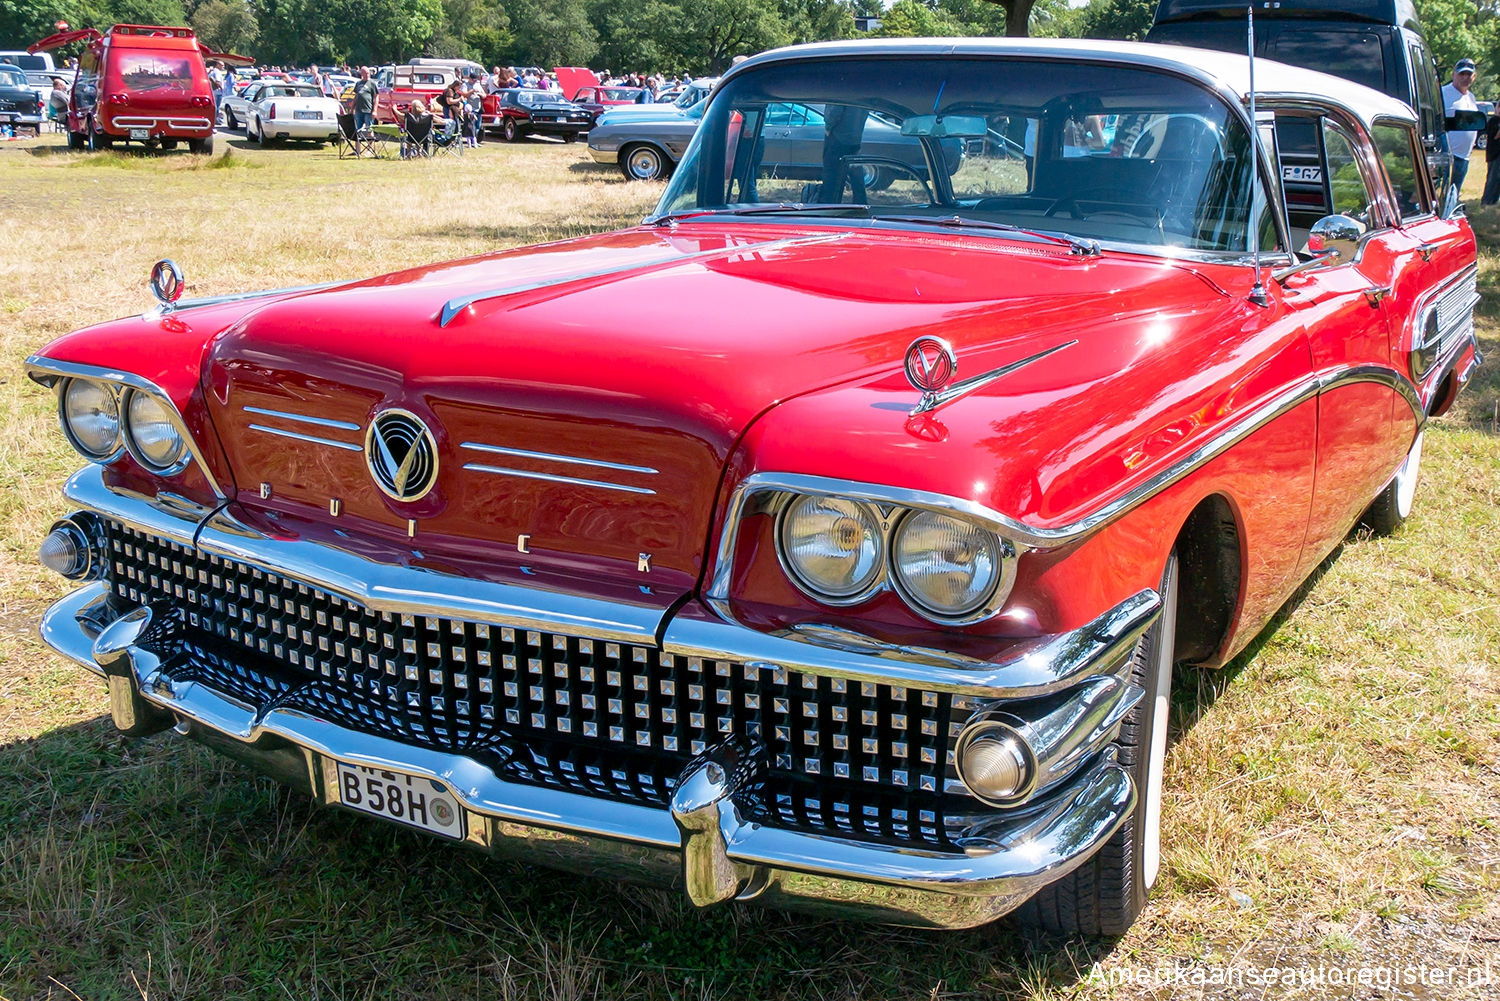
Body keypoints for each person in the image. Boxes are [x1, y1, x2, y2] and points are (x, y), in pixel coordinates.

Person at [1442, 57, 1479, 197]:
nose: (1465, 77)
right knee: (1441, 193)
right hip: (1446, 156)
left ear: (1473, 77)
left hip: (1464, 156)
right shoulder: (1443, 93)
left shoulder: (1471, 97)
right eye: (1461, 74)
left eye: (1468, 74)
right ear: (1453, 75)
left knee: (1454, 193)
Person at [352, 66, 378, 136]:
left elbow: (376, 97)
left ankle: (370, 147)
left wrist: (375, 110)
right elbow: (356, 96)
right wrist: (352, 108)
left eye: (368, 73)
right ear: (361, 74)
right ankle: (358, 147)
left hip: (368, 111)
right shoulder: (358, 83)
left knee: (369, 129)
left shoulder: (372, 83)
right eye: (365, 73)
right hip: (358, 110)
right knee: (357, 131)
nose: (367, 75)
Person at [1483, 104, 1500, 206]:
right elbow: (1495, 136)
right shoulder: (1493, 121)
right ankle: (1487, 201)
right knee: (1493, 179)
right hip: (1494, 154)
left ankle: (1494, 201)